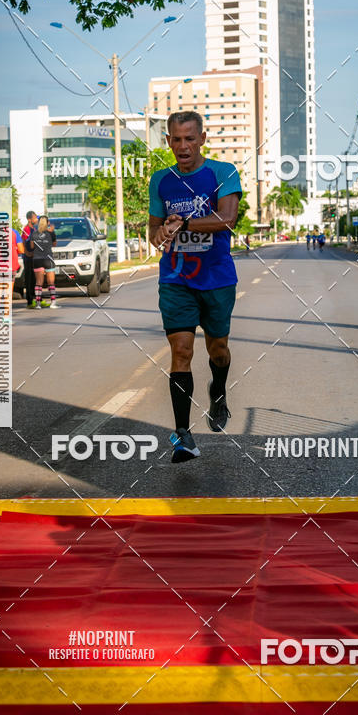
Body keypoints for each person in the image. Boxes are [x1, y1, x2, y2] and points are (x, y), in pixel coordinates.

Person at [149, 110, 242, 463]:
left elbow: (227, 219)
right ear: (168, 141)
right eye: (176, 139)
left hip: (217, 278)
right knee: (182, 351)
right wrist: (162, 233)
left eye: (190, 138)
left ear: (202, 138)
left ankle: (218, 391)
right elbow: (153, 232)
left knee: (217, 350)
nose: (183, 146)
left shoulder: (222, 172)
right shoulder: (160, 180)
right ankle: (183, 436)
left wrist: (185, 221)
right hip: (176, 278)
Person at [28, 215, 58, 309]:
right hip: (48, 258)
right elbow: (54, 244)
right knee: (51, 282)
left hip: (37, 259)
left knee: (38, 282)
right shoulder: (51, 233)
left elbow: (32, 247)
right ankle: (53, 302)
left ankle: (38, 304)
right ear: (47, 223)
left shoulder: (34, 234)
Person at [21, 210, 38, 308]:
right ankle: (29, 300)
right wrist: (27, 253)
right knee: (29, 278)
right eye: (35, 217)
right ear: (29, 219)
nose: (36, 219)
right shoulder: (26, 229)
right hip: (28, 257)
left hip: (35, 257)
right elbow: (23, 242)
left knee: (35, 278)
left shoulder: (35, 229)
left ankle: (35, 297)